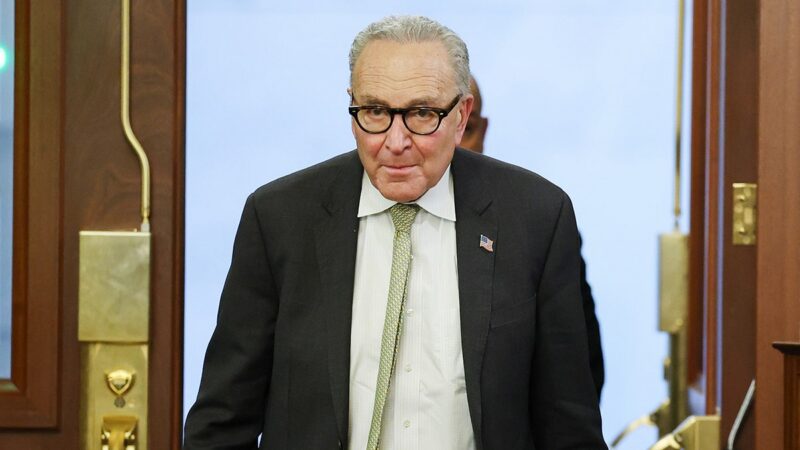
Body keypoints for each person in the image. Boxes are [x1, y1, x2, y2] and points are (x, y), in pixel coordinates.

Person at [184, 15, 606, 450]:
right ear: (353, 108)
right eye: (376, 112)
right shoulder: (279, 219)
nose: (396, 141)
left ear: (462, 116)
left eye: (422, 113)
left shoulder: (535, 218)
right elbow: (222, 423)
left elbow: (569, 429)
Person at [461, 75, 605, 400]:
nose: (453, 149)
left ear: (483, 131)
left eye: (466, 130)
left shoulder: (539, 228)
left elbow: (579, 375)